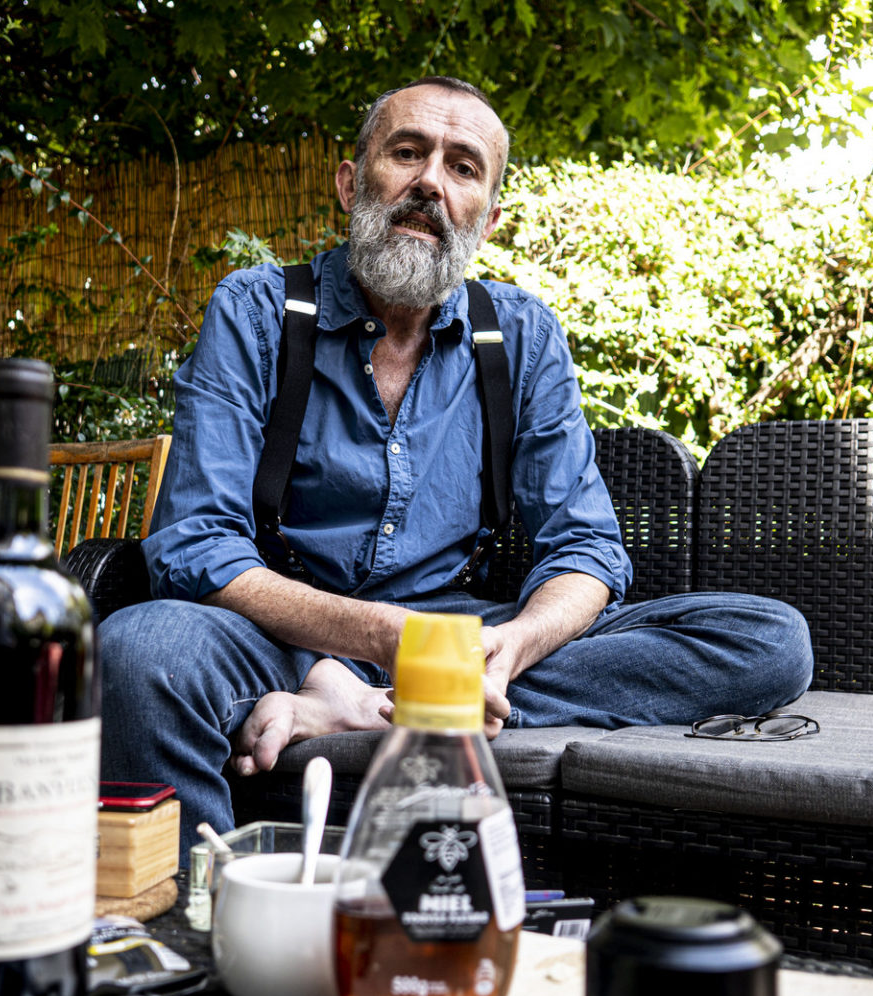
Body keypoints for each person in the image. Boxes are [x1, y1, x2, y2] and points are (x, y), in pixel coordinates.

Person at [98, 76, 812, 854]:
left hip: (459, 636)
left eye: (463, 167)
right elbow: (195, 542)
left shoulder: (521, 336)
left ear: (489, 218)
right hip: (274, 631)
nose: (430, 183)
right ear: (351, 183)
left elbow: (585, 548)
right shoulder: (256, 311)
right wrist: (373, 637)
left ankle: (370, 704)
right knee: (142, 650)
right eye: (407, 152)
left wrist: (513, 648)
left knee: (769, 638)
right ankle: (203, 904)